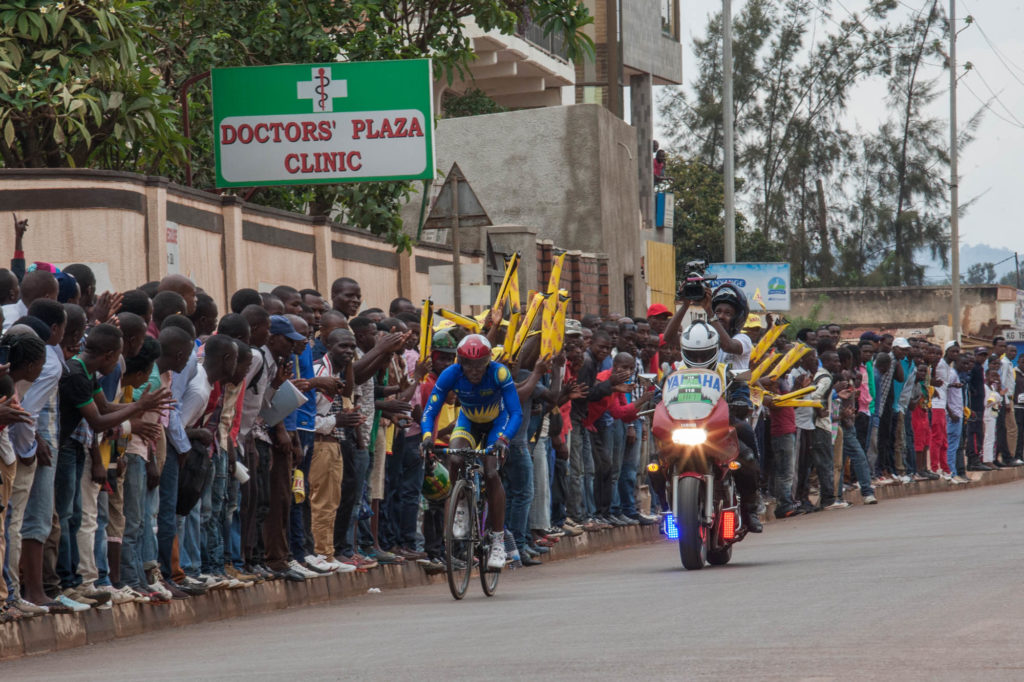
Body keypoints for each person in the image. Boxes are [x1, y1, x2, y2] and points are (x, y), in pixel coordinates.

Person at [420, 334, 523, 571]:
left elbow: (516, 413)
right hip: (468, 423)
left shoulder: (499, 373)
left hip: (497, 424)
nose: (474, 371)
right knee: (455, 457)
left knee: (491, 472)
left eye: (480, 365)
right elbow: (430, 410)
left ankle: (497, 539)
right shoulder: (451, 374)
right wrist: (427, 437)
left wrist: (504, 440)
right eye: (468, 364)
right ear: (460, 362)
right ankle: (462, 505)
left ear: (488, 361)